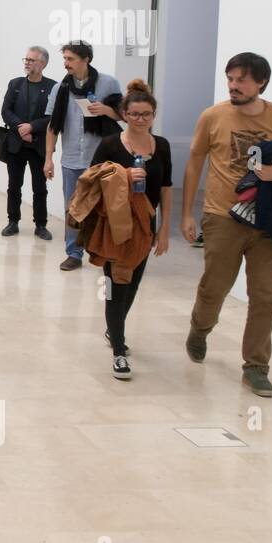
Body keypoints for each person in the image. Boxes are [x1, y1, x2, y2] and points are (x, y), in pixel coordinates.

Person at [182, 52, 272, 397]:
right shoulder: (213, 116)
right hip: (223, 216)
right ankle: (200, 328)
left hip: (269, 220)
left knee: (265, 297)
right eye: (230, 79)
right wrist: (188, 213)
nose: (234, 86)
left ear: (260, 82)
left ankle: (256, 367)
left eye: (241, 80)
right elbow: (194, 163)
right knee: (214, 288)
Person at [88, 80, 171, 380]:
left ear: (154, 115)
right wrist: (123, 174)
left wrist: (163, 230)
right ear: (124, 114)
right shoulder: (110, 144)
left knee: (133, 285)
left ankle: (114, 329)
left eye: (146, 114)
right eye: (134, 113)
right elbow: (92, 178)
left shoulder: (160, 146)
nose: (140, 119)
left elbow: (165, 187)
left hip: (145, 226)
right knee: (115, 286)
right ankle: (119, 351)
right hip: (116, 226)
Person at [42, 41, 123, 270]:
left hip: (100, 159)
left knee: (106, 207)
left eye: (70, 59)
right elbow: (52, 127)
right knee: (73, 208)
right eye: (65, 59)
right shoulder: (60, 88)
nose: (66, 63)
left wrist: (106, 110)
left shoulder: (108, 83)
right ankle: (74, 253)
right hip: (71, 159)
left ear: (86, 59)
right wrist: (49, 158)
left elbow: (123, 114)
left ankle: (106, 251)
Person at [0, 46, 56, 240]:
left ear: (43, 64)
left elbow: (53, 117)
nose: (27, 63)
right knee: (14, 185)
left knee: (39, 187)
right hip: (16, 144)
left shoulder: (52, 87)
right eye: (26, 59)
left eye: (32, 60)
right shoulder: (15, 84)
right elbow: (6, 111)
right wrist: (21, 128)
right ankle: (13, 221)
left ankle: (41, 225)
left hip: (39, 145)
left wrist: (32, 127)